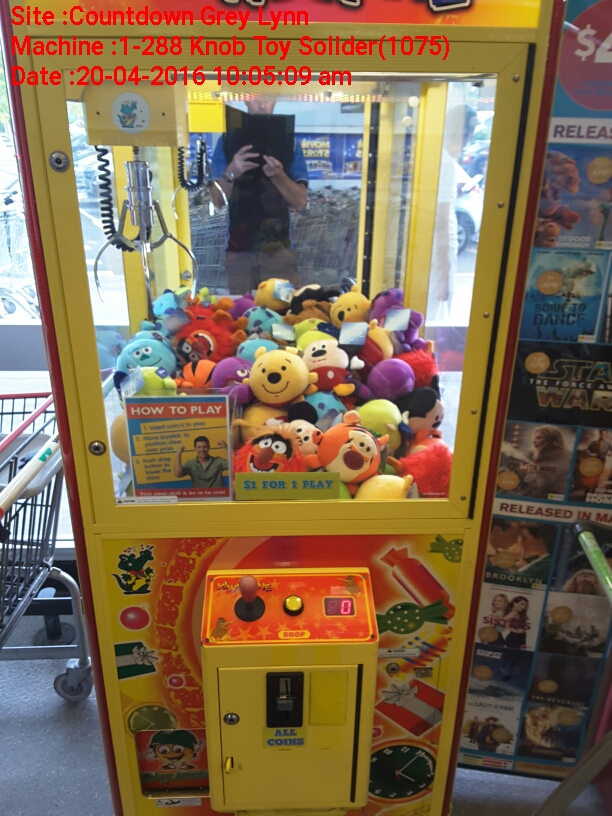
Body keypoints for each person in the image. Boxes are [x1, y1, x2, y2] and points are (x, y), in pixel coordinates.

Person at [210, 98, 309, 294]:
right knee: (241, 310)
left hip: (278, 250)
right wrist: (232, 172)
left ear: (275, 102)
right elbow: (217, 201)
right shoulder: (227, 142)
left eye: (267, 98)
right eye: (256, 98)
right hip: (239, 251)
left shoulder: (290, 144)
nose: (262, 105)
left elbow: (300, 201)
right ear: (246, 100)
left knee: (282, 308)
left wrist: (278, 176)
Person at [523, 425, 572, 498]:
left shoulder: (555, 458)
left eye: (539, 438)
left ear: (551, 439)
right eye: (535, 438)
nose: (534, 441)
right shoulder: (537, 456)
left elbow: (544, 483)